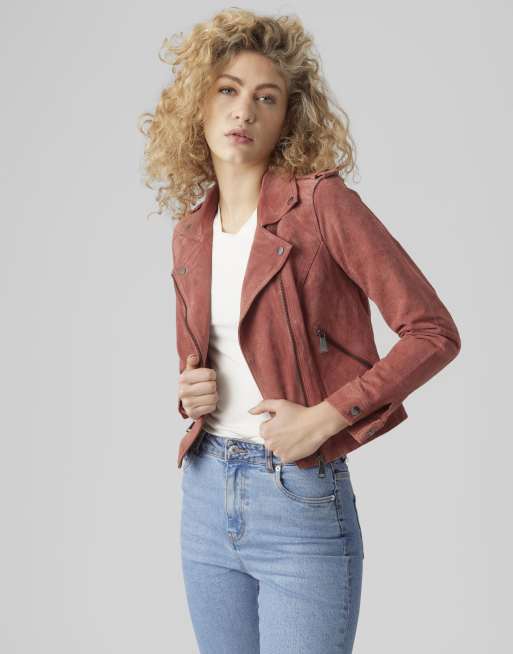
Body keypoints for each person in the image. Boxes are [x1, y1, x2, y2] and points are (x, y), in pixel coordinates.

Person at [138, 8, 461, 654]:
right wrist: (189, 392)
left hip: (298, 499)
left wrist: (324, 419)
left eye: (266, 98)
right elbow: (215, 361)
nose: (243, 111)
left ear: (287, 117)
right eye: (227, 90)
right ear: (198, 102)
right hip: (204, 493)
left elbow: (432, 332)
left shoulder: (320, 204)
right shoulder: (190, 232)